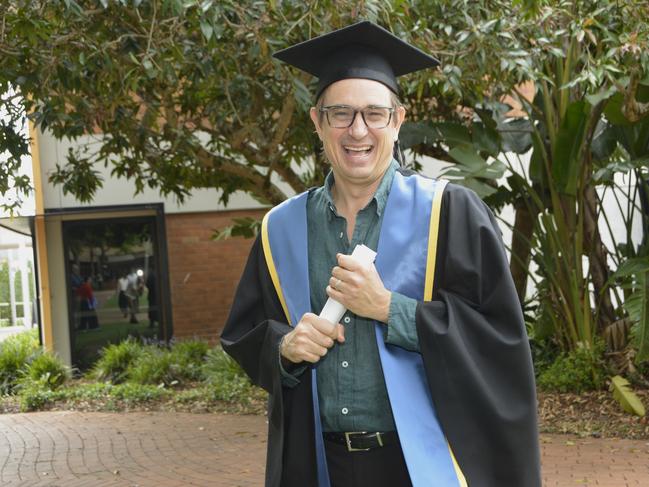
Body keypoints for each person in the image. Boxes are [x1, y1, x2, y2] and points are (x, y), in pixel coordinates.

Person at [221, 21, 541, 487]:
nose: (358, 131)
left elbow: (499, 339)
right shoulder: (280, 229)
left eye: (374, 113)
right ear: (317, 121)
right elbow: (245, 335)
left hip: (418, 464)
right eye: (340, 114)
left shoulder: (449, 214)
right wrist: (285, 347)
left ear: (397, 120)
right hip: (318, 462)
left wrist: (390, 309)